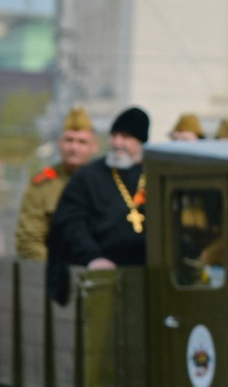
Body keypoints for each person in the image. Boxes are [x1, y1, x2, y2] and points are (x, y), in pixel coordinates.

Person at [47, 106, 151, 301]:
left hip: (149, 274)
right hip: (101, 274)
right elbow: (70, 223)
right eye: (114, 136)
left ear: (140, 142)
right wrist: (93, 257)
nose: (117, 143)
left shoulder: (153, 175)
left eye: (125, 137)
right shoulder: (87, 177)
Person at [14, 106, 98, 261]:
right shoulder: (43, 184)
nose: (74, 147)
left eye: (82, 142)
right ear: (59, 143)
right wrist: (55, 269)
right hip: (52, 267)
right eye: (69, 140)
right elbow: (29, 239)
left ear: (94, 147)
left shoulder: (105, 182)